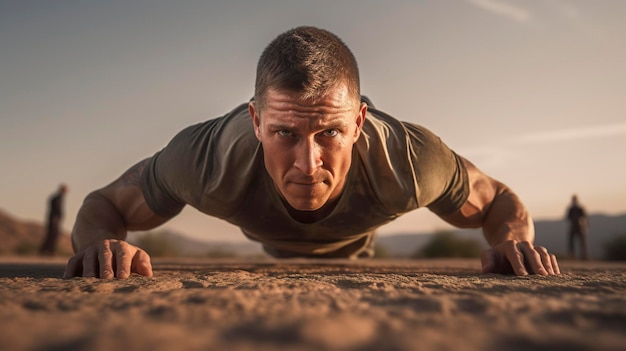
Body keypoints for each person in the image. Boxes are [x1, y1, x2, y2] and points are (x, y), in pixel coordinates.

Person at [64, 26, 560, 279]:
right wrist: (101, 245)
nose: (308, 164)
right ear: (256, 121)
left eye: (329, 133)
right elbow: (102, 205)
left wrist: (514, 241)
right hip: (267, 238)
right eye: (284, 133)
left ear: (360, 121)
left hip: (355, 245)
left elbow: (497, 200)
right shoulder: (204, 160)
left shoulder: (409, 161)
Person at [40, 184, 68, 256]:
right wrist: (57, 217)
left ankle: (47, 250)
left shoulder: (57, 197)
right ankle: (48, 251)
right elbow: (57, 208)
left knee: (53, 235)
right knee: (53, 235)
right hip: (54, 219)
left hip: (54, 218)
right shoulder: (57, 198)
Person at [566, 195, 589, 260]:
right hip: (573, 226)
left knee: (582, 243)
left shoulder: (580, 208)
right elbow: (568, 217)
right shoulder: (571, 209)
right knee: (571, 243)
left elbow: (584, 217)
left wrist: (585, 226)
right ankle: (572, 256)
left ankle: (584, 256)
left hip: (580, 227)